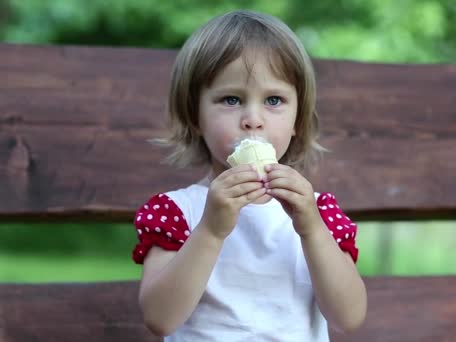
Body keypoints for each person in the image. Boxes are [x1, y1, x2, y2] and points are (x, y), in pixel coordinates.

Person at [132, 9, 367, 341]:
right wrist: (211, 231)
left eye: (274, 100)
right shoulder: (178, 212)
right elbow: (159, 318)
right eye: (231, 99)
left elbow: (349, 317)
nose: (253, 119)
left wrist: (312, 229)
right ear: (194, 115)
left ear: (297, 117)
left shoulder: (318, 214)